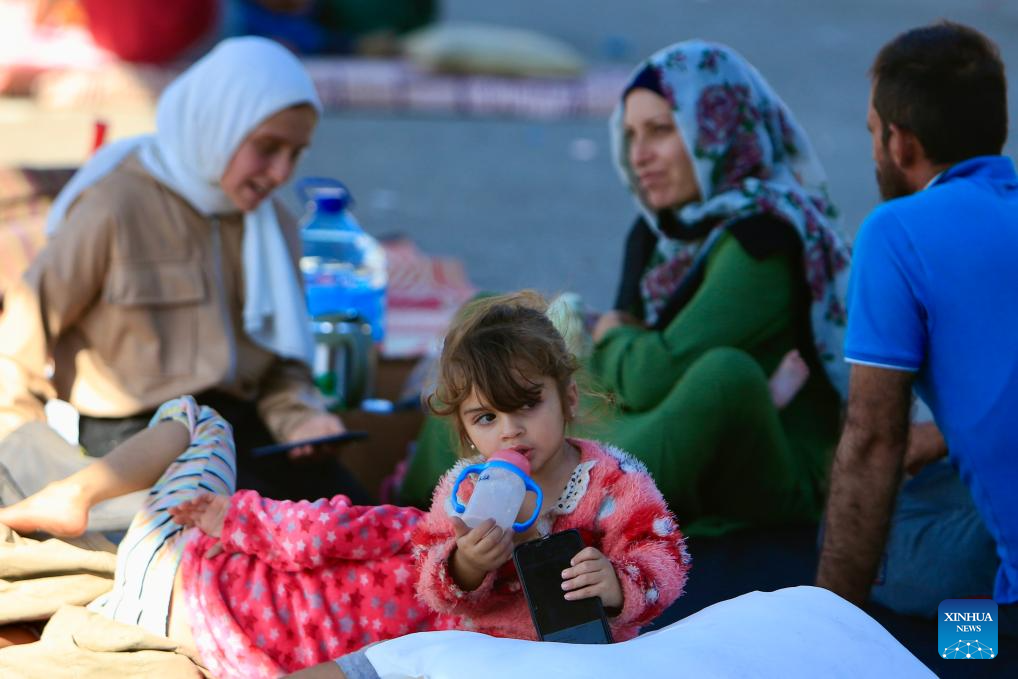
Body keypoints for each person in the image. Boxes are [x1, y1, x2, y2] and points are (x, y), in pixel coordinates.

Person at [0, 291, 689, 677]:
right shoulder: (458, 495)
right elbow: (436, 587)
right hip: (193, 571)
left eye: (527, 406)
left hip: (193, 575)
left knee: (197, 420)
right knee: (197, 418)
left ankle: (83, 496)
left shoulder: (611, 480)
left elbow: (666, 555)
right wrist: (463, 564)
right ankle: (77, 494)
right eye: (487, 417)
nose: (510, 432)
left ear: (568, 398)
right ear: (466, 433)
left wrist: (620, 583)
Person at [402, 41, 851, 538]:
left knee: (727, 376)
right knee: (488, 329)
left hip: (760, 458)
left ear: (717, 131)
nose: (639, 156)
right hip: (655, 408)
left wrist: (613, 333)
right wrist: (618, 342)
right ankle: (411, 519)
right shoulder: (660, 232)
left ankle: (543, 510)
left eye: (661, 130)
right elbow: (638, 374)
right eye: (632, 134)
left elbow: (649, 375)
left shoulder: (762, 241)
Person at [0, 37, 366, 502]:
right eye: (267, 147)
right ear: (217, 127)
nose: (279, 173)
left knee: (358, 518)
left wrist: (300, 419)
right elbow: (19, 342)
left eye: (295, 154)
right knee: (241, 536)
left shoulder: (272, 224)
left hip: (241, 427)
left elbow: (279, 364)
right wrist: (26, 450)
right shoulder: (117, 205)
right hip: (133, 439)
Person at [815, 21, 1018, 632]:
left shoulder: (896, 231)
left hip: (1006, 619)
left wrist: (825, 630)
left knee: (864, 526)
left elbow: (875, 439)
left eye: (874, 135)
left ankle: (959, 653)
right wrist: (946, 436)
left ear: (901, 144)